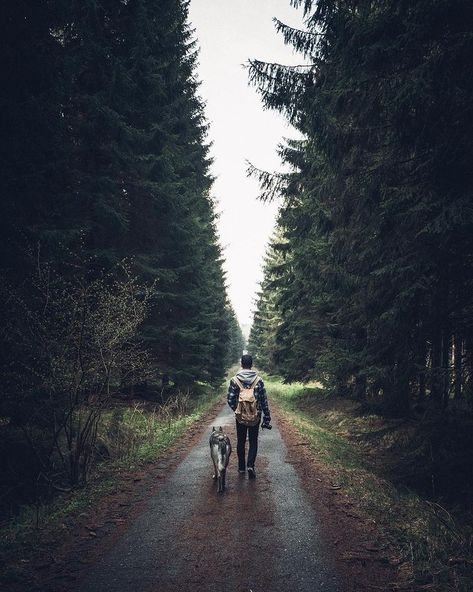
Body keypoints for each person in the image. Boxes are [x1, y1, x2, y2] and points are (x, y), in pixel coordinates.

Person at [227, 354, 271, 479]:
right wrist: (266, 417)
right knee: (253, 441)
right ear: (251, 365)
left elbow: (230, 399)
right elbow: (263, 400)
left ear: (241, 364)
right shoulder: (259, 380)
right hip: (255, 417)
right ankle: (250, 465)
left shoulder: (234, 380)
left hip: (240, 417)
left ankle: (241, 468)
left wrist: (237, 410)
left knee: (240, 441)